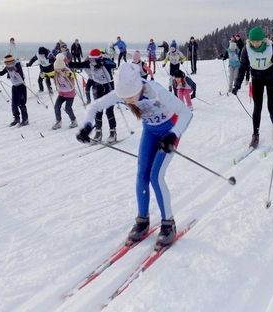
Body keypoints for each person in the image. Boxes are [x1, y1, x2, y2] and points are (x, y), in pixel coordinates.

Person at [76, 63, 193, 249]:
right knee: (141, 175)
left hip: (169, 130)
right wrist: (87, 126)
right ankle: (142, 220)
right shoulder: (122, 92)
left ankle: (168, 224)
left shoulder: (155, 90)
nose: (129, 101)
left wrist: (173, 134)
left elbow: (186, 113)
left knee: (156, 176)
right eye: (125, 98)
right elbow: (94, 106)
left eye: (131, 97)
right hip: (150, 131)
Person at [231, 26, 273, 149]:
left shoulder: (270, 47)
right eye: (253, 41)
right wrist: (237, 85)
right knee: (257, 107)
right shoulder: (246, 49)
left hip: (270, 79)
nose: (255, 43)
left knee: (271, 105)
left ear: (263, 40)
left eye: (258, 41)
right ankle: (255, 134)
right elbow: (242, 68)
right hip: (257, 79)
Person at [68, 48, 118, 142]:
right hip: (98, 86)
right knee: (98, 111)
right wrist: (68, 63)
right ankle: (98, 132)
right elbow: (78, 65)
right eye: (90, 59)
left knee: (109, 111)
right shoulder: (89, 63)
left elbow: (114, 64)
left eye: (93, 59)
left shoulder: (105, 63)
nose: (92, 61)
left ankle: (113, 132)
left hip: (108, 86)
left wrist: (104, 62)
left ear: (99, 58)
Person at [0, 55, 29, 127]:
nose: (8, 64)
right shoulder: (8, 67)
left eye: (9, 62)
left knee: (21, 104)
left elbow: (20, 74)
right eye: (6, 63)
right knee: (14, 104)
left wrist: (14, 69)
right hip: (14, 87)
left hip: (21, 86)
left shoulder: (17, 65)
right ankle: (16, 118)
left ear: (13, 61)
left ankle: (25, 119)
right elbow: (2, 73)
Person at [50, 53, 78, 129]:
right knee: (56, 107)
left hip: (69, 94)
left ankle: (73, 120)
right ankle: (58, 122)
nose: (57, 70)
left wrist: (67, 74)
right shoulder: (56, 72)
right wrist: (44, 75)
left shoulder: (67, 71)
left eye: (58, 69)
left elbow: (74, 75)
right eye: (56, 68)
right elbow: (50, 74)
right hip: (61, 94)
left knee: (68, 108)